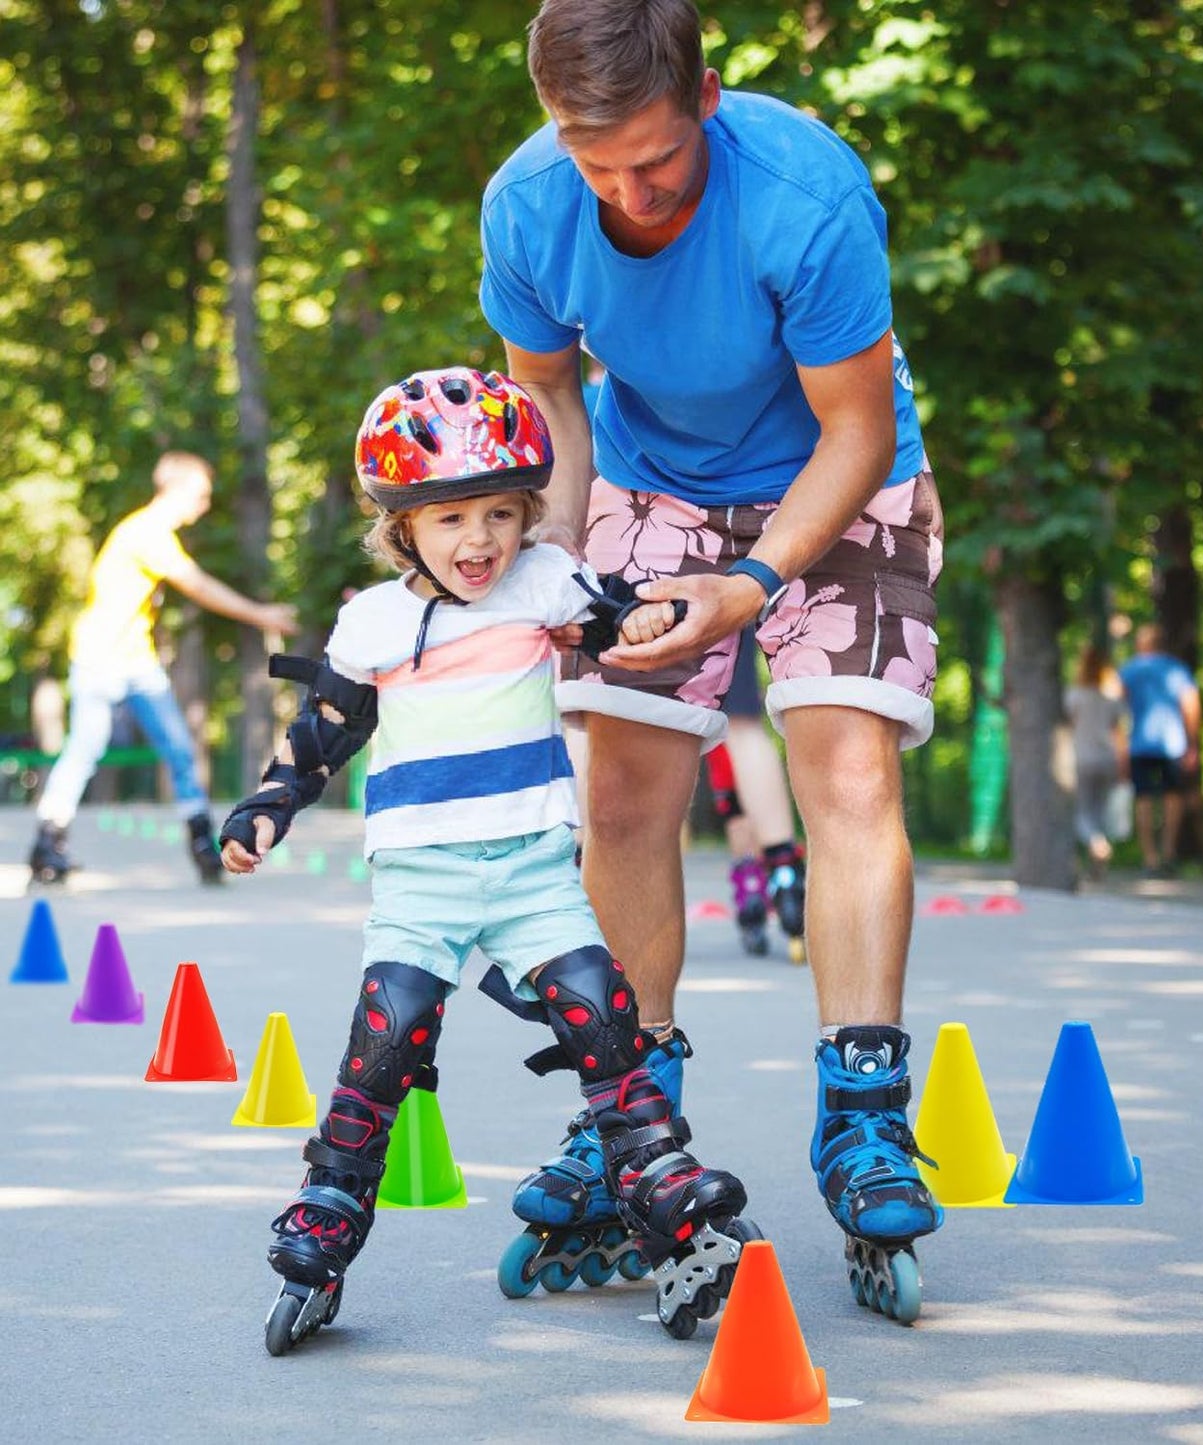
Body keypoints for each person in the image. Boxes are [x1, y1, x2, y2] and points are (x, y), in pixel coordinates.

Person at [480, 0, 944, 1322]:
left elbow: (853, 430)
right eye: (595, 164)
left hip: (835, 470)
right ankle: (628, 1113)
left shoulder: (802, 193)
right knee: (624, 790)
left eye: (655, 161)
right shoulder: (526, 205)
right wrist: (557, 561)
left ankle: (863, 1109)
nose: (628, 196)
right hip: (647, 477)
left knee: (845, 771)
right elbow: (550, 394)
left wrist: (750, 584)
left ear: (708, 96)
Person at [219, 367, 752, 1354]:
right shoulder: (374, 622)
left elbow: (607, 614)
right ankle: (327, 1213)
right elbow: (323, 730)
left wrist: (634, 618)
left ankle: (656, 1182)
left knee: (602, 1011)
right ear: (402, 526)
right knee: (386, 1040)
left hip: (532, 869)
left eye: (501, 513)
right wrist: (267, 806)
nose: (480, 539)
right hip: (420, 877)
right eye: (452, 517)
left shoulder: (542, 582)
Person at [28, 451, 297, 886]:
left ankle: (202, 846)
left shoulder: (149, 532)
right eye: (201, 495)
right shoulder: (146, 533)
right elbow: (198, 586)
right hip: (100, 657)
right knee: (86, 748)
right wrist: (261, 615)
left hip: (137, 660)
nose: (204, 505)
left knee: (178, 749)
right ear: (179, 489)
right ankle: (48, 842)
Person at [703, 625, 807, 960]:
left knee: (609, 720)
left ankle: (583, 867)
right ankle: (785, 875)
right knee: (742, 727)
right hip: (724, 596)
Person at [1118, 622, 1201, 878]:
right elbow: (1191, 705)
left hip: (1138, 743)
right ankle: (1168, 852)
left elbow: (1116, 709)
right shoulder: (1176, 669)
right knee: (1172, 797)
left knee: (1143, 798)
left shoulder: (1129, 670)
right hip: (1172, 743)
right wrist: (1192, 743)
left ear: (1141, 644)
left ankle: (1150, 857)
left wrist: (1120, 745)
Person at [1064, 643, 1128, 878]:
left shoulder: (1074, 696)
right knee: (1100, 810)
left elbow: (1068, 728)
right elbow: (1119, 733)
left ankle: (1096, 844)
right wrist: (1123, 762)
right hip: (1107, 759)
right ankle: (1097, 859)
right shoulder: (1111, 699)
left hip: (1082, 758)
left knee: (1082, 811)